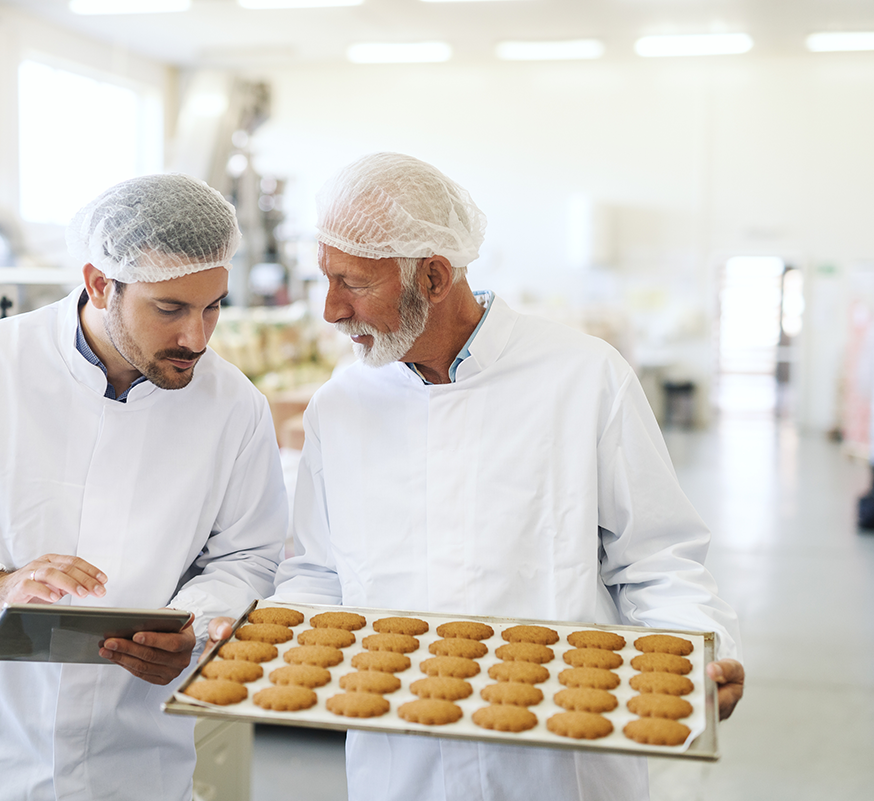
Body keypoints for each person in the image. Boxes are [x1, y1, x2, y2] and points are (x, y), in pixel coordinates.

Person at [272, 152, 745, 800]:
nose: (330, 309)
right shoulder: (342, 405)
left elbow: (657, 559)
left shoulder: (584, 378)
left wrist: (699, 651)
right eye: (324, 278)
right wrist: (270, 639)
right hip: (400, 765)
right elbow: (319, 573)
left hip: (560, 764)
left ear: (434, 276)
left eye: (352, 283)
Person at [0, 174, 287, 801]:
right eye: (170, 309)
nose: (197, 337)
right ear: (101, 284)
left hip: (133, 763)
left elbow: (248, 553)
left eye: (213, 306)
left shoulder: (233, 404)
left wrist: (200, 625)